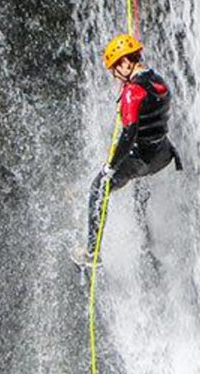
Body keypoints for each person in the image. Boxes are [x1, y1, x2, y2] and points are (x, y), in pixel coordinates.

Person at [74, 33, 183, 269]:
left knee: (99, 186)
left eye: (115, 70)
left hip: (142, 158)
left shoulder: (132, 92)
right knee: (139, 185)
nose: (114, 76)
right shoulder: (158, 81)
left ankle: (92, 253)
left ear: (126, 63)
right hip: (163, 155)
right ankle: (148, 241)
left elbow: (129, 132)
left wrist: (111, 166)